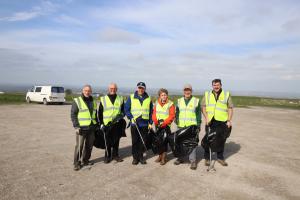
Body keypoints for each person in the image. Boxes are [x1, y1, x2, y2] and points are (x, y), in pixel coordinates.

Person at [201, 79, 233, 166]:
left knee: (221, 140)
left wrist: (229, 120)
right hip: (210, 121)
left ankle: (220, 158)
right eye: (214, 85)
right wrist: (206, 117)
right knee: (208, 139)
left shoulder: (226, 94)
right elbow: (203, 107)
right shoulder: (207, 94)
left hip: (222, 121)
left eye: (218, 85)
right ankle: (207, 158)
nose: (216, 86)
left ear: (221, 85)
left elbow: (230, 108)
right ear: (212, 86)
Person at [125, 82, 153, 165]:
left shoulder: (148, 98)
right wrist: (130, 117)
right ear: (137, 88)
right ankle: (135, 158)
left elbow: (151, 111)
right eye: (139, 88)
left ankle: (141, 157)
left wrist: (150, 122)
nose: (140, 89)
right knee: (135, 141)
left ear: (145, 89)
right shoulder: (131, 97)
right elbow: (126, 109)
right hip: (135, 123)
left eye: (142, 88)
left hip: (144, 124)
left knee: (142, 141)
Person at [174, 84, 201, 170]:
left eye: (188, 90)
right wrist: (177, 120)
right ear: (183, 91)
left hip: (191, 126)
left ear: (191, 91)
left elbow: (198, 114)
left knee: (191, 144)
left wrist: (198, 125)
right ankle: (180, 158)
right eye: (185, 90)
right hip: (181, 125)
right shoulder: (179, 101)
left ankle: (192, 161)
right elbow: (177, 112)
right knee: (180, 143)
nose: (187, 92)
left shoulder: (196, 101)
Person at [71, 85, 97, 171]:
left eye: (89, 91)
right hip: (81, 128)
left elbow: (94, 114)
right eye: (86, 90)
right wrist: (76, 126)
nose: (87, 92)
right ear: (83, 91)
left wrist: (96, 125)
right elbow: (73, 114)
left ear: (91, 91)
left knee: (89, 146)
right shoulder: (77, 101)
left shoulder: (93, 101)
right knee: (79, 146)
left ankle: (85, 160)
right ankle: (76, 163)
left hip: (91, 127)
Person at [98, 83, 126, 163]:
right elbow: (100, 112)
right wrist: (101, 124)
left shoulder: (120, 98)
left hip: (117, 124)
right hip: (107, 124)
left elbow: (123, 111)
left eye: (114, 88)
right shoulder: (103, 99)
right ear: (108, 89)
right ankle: (107, 156)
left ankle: (116, 155)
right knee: (107, 141)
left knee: (116, 140)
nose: (112, 90)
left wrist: (120, 116)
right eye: (111, 88)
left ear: (116, 89)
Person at [152, 88, 175, 165]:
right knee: (158, 141)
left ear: (167, 95)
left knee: (164, 141)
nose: (164, 96)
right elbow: (154, 114)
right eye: (162, 95)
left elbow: (172, 116)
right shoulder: (156, 103)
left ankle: (164, 157)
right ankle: (160, 155)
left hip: (166, 125)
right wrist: (156, 121)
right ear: (160, 96)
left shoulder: (170, 104)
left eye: (165, 95)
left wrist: (164, 123)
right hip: (157, 125)